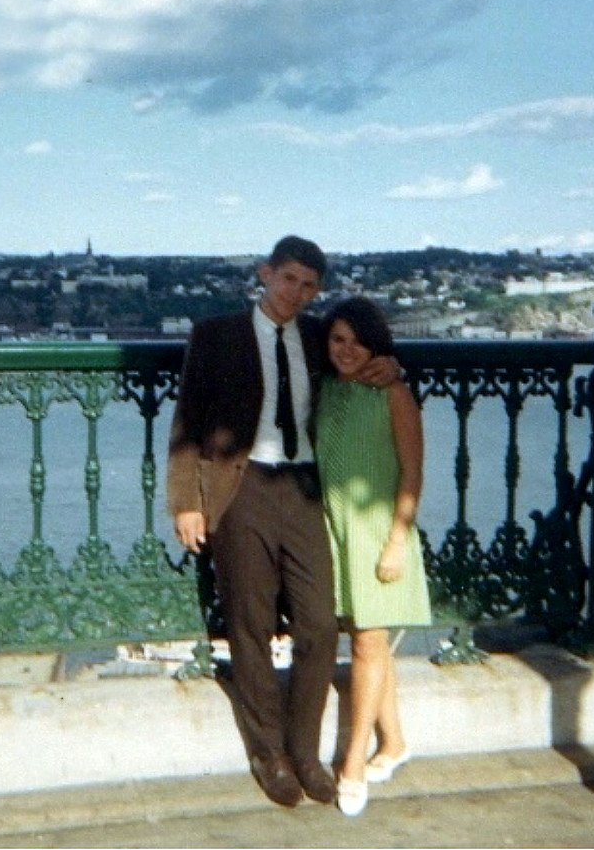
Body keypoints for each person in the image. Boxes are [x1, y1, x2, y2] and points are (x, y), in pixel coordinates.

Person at [167, 235, 399, 808]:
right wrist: (185, 502)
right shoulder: (216, 334)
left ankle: (306, 751)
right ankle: (268, 753)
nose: (298, 292)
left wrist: (391, 364)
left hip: (303, 487)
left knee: (319, 624)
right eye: (289, 278)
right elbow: (188, 418)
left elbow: (361, 357)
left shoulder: (320, 335)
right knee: (249, 623)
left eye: (310, 284)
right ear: (265, 274)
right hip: (241, 488)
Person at [314, 296, 431, 817]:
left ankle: (353, 764)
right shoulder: (327, 391)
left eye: (357, 342)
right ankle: (396, 744)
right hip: (334, 529)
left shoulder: (394, 393)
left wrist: (397, 541)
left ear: (375, 346)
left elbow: (412, 473)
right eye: (337, 340)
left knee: (366, 643)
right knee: (370, 640)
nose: (346, 350)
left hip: (380, 533)